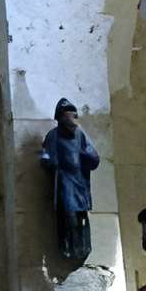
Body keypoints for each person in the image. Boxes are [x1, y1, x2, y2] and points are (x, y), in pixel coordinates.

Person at [40, 98, 99, 263]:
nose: (72, 118)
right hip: (65, 181)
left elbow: (92, 155)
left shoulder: (80, 134)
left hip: (79, 182)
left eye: (73, 115)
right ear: (60, 117)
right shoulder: (54, 135)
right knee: (69, 214)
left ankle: (83, 246)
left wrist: (88, 156)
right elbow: (46, 155)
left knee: (82, 215)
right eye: (68, 115)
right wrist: (49, 161)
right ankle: (69, 245)